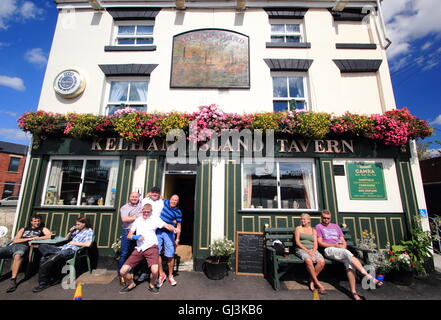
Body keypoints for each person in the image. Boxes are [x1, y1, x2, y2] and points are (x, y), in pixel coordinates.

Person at [315, 210, 383, 300]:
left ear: (330, 218)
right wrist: (334, 245)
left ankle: (354, 293)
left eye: (328, 218)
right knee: (347, 253)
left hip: (341, 250)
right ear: (321, 218)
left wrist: (343, 246)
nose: (326, 220)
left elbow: (343, 241)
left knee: (350, 263)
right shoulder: (318, 227)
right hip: (329, 249)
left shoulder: (336, 226)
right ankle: (368, 276)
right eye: (324, 218)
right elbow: (320, 243)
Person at [119, 203, 176, 294]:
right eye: (144, 212)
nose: (145, 214)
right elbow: (129, 235)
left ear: (151, 212)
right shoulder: (137, 220)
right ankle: (131, 284)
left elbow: (166, 225)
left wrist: (173, 228)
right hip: (139, 249)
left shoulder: (155, 219)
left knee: (154, 270)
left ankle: (152, 285)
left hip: (151, 247)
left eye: (147, 212)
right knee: (122, 271)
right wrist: (136, 237)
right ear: (142, 211)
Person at [32, 216, 94, 293]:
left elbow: (88, 244)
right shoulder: (78, 231)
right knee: (42, 245)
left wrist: (74, 243)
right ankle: (51, 257)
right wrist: (71, 232)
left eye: (78, 224)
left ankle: (43, 283)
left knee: (45, 258)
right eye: (76, 224)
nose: (76, 226)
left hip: (71, 250)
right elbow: (66, 238)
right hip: (62, 248)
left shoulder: (89, 231)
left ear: (84, 224)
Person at [0, 214, 51, 293]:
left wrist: (38, 238)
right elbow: (15, 240)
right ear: (31, 222)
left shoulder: (42, 229)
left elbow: (49, 235)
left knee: (18, 255)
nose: (37, 223)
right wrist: (30, 238)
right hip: (13, 246)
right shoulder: (24, 229)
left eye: (38, 221)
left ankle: (13, 280)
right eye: (35, 221)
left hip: (23, 247)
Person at [294, 213, 326, 294]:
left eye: (304, 219)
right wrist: (308, 251)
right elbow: (297, 242)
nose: (302, 220)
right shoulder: (298, 228)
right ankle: (318, 283)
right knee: (308, 260)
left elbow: (315, 244)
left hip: (313, 249)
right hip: (301, 249)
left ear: (309, 220)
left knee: (322, 261)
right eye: (301, 219)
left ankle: (312, 281)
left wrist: (313, 251)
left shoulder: (313, 230)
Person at [156, 194, 182, 287]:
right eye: (172, 199)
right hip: (158, 231)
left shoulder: (178, 212)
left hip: (169, 233)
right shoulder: (164, 201)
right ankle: (161, 274)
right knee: (156, 252)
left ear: (177, 202)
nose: (173, 201)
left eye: (176, 200)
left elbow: (178, 226)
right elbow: (156, 195)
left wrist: (177, 239)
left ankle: (170, 275)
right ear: (169, 199)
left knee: (170, 254)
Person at [118, 191, 143, 286]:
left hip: (138, 232)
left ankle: (131, 273)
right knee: (124, 253)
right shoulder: (125, 207)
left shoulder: (141, 205)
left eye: (136, 197)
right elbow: (124, 219)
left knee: (134, 253)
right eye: (132, 197)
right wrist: (137, 217)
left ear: (138, 198)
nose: (134, 198)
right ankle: (121, 276)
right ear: (129, 197)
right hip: (127, 231)